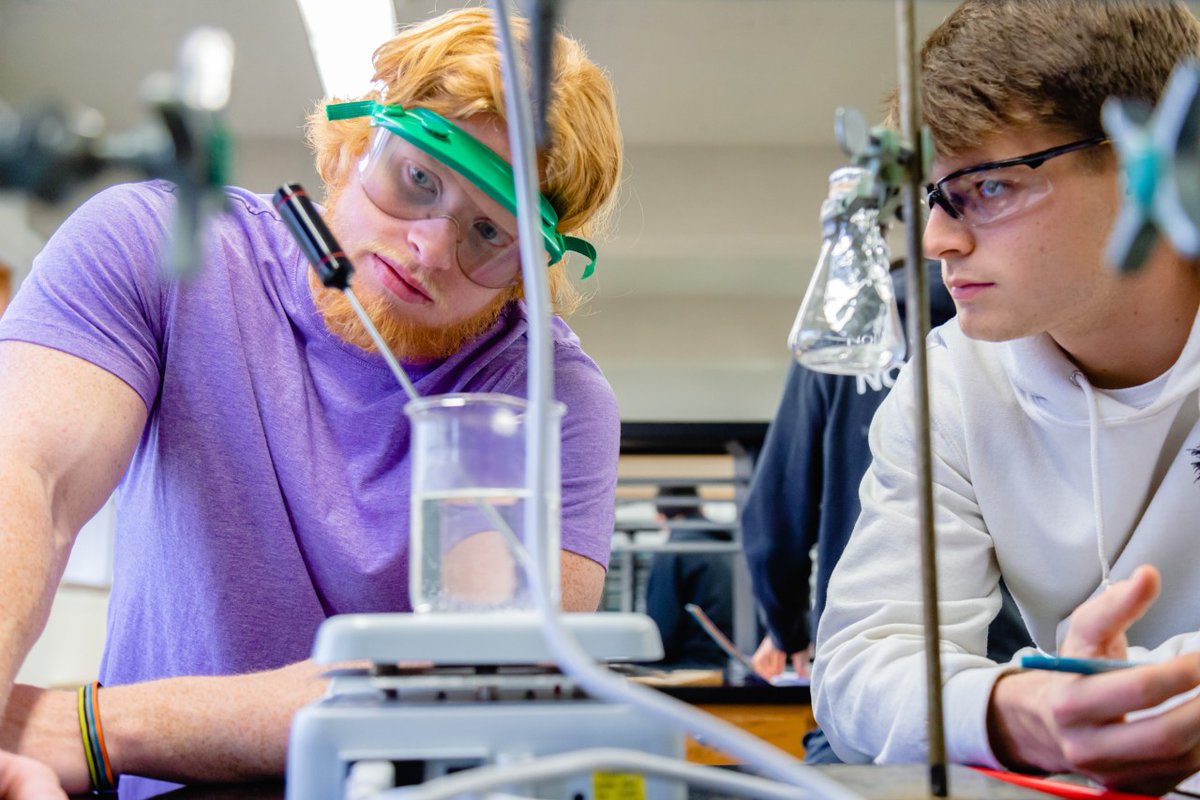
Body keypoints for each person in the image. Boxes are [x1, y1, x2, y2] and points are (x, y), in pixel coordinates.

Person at [0, 7, 621, 794]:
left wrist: (92, 727)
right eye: (417, 178)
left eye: (489, 234)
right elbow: (28, 483)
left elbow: (473, 690)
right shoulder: (158, 248)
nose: (431, 246)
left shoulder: (548, 403)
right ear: (350, 148)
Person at [812, 1, 1200, 792]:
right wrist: (1021, 710)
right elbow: (862, 660)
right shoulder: (952, 384)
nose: (935, 241)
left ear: (1152, 160)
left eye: (986, 186)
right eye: (930, 195)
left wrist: (1137, 699)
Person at [744, 263, 1031, 764]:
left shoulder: (843, 338)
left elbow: (773, 519)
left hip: (876, 676)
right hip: (1022, 676)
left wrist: (788, 630)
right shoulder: (1020, 333)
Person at [643, 485, 735, 669]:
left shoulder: (673, 552)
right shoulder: (731, 547)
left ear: (661, 519)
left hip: (687, 669)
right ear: (701, 509)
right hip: (732, 667)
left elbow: (662, 632)